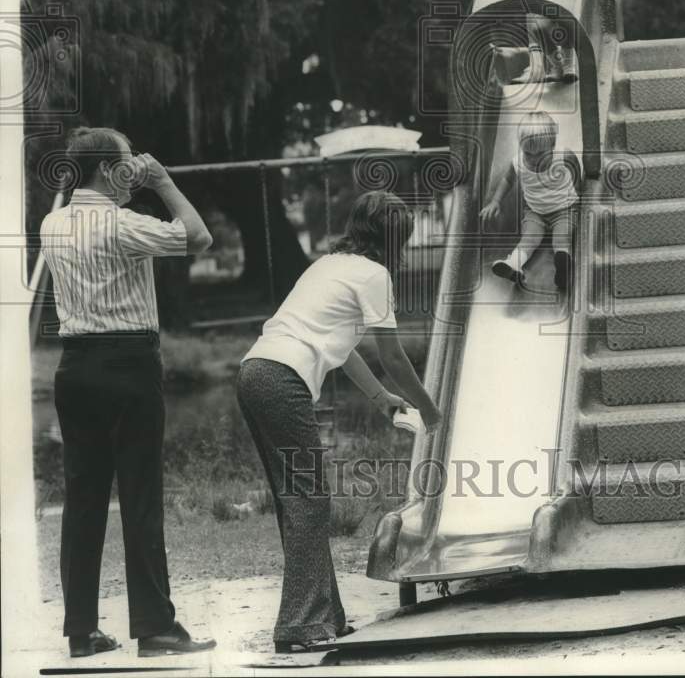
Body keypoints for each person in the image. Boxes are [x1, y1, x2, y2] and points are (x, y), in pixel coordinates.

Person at [237, 190, 442, 654]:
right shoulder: (374, 274)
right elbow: (391, 353)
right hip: (282, 377)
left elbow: (341, 344)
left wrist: (379, 398)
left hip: (254, 370)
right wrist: (427, 408)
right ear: (398, 238)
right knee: (310, 499)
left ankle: (323, 618)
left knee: (298, 500)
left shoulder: (329, 264)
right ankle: (300, 626)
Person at [40, 127, 217, 659]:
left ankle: (81, 631)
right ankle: (156, 627)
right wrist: (160, 181)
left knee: (83, 499)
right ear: (109, 169)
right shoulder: (120, 225)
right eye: (126, 163)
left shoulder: (52, 223)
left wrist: (123, 181)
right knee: (140, 496)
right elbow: (199, 237)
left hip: (75, 365)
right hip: (129, 363)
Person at [480, 111, 581, 296]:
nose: (534, 160)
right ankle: (513, 265)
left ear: (552, 146)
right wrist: (495, 201)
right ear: (521, 147)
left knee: (562, 237)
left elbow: (577, 173)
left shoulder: (564, 157)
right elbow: (507, 181)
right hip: (535, 212)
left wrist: (580, 198)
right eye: (528, 153)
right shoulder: (518, 163)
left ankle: (563, 266)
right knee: (529, 239)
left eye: (540, 154)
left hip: (564, 210)